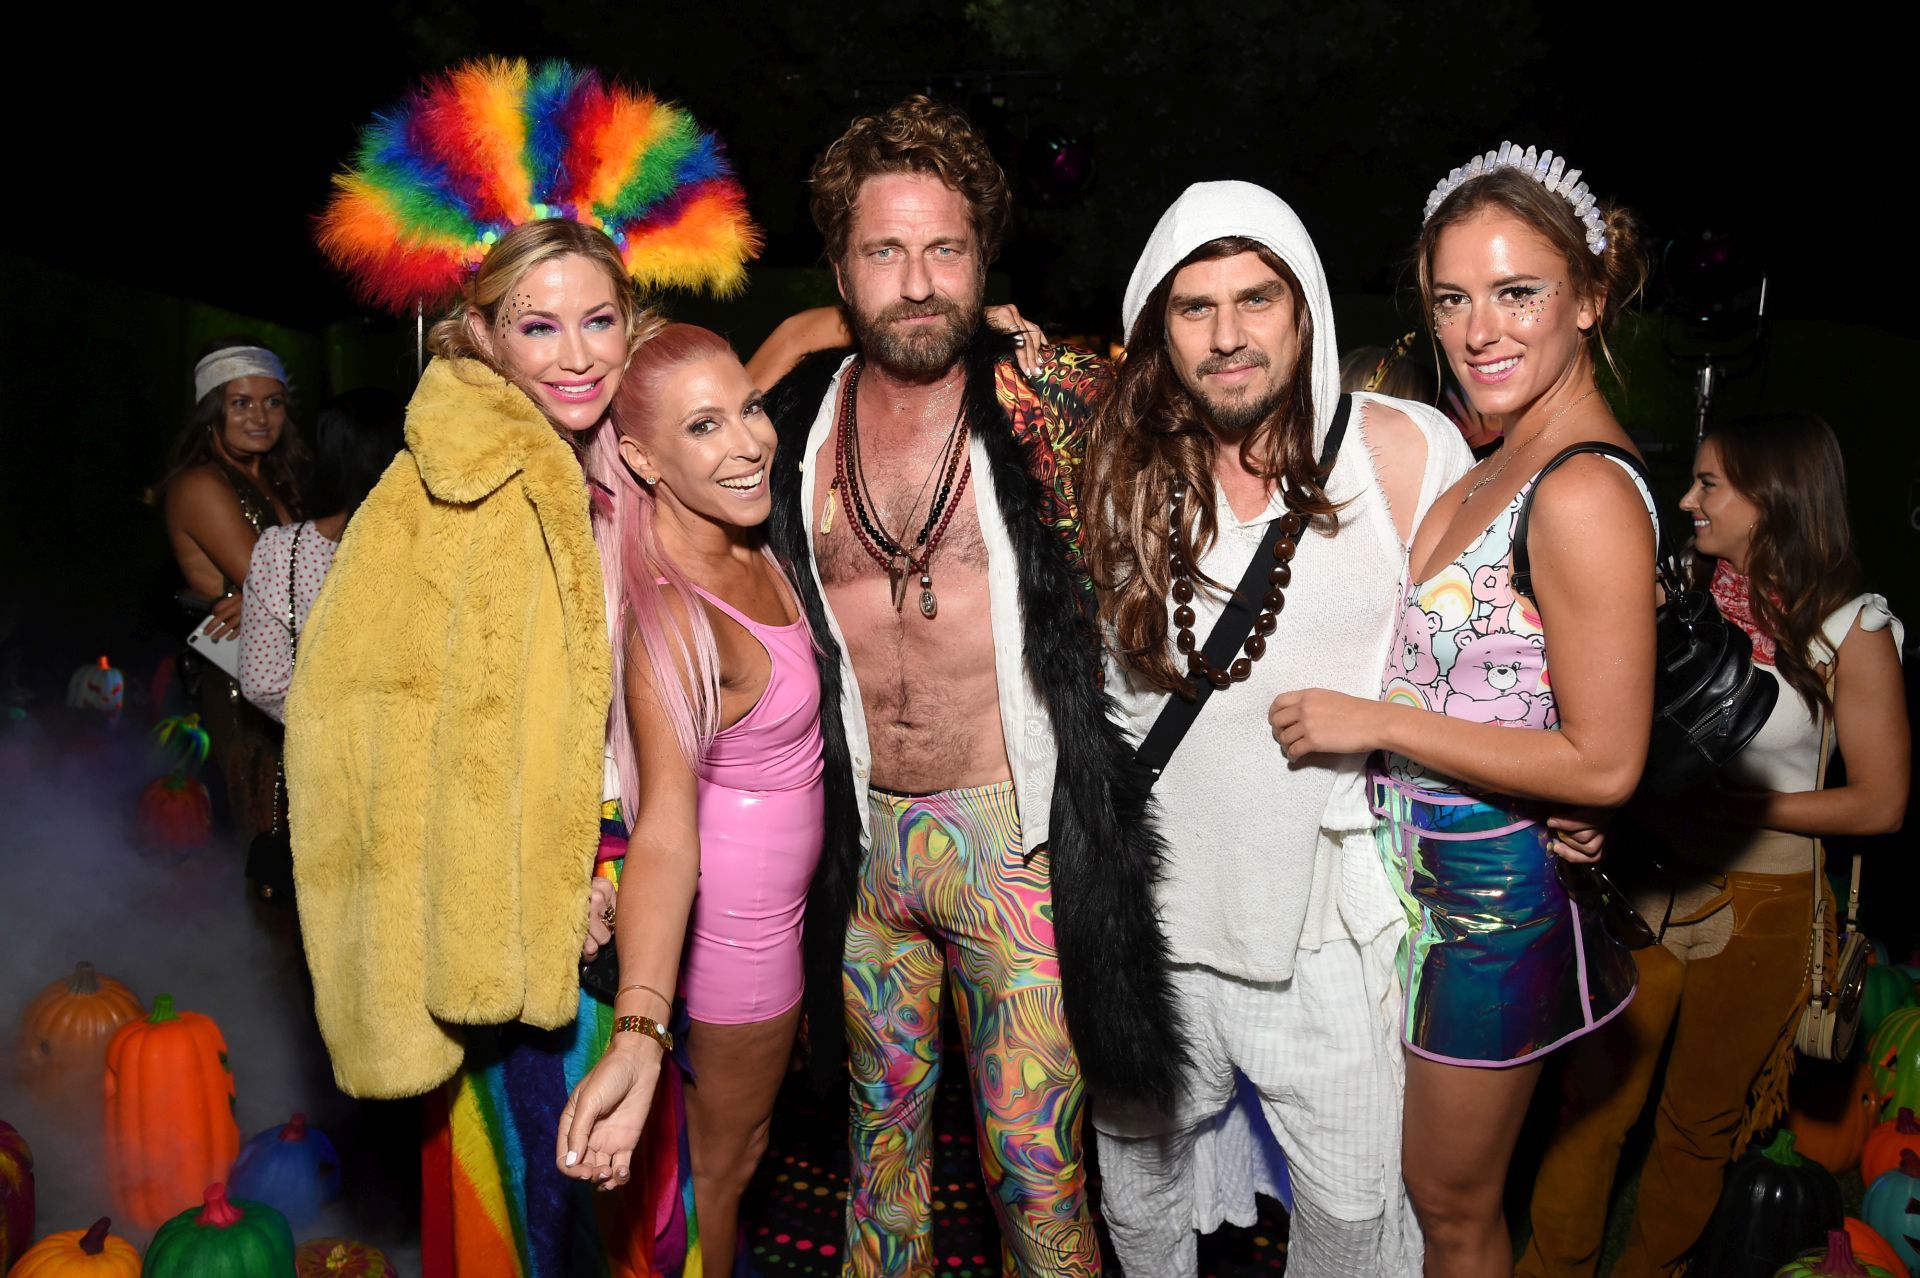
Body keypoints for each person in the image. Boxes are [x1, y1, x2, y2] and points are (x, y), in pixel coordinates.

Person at [288, 58, 758, 1277]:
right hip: (520, 927)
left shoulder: (638, 464)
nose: (575, 355)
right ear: (483, 335)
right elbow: (380, 741)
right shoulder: (447, 495)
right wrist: (561, 884)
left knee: (646, 1199)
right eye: (537, 325)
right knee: (549, 1210)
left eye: (598, 319)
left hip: (657, 893)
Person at [762, 95, 1179, 1275]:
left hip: (1013, 849)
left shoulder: (1054, 405)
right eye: (884, 251)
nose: (917, 282)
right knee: (877, 1162)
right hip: (860, 849)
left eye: (944, 249)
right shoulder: (789, 426)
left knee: (1036, 1171)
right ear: (840, 270)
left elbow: (1206, 455)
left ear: (984, 259)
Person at [1269, 141, 1659, 1278]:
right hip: (1414, 878)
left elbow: (1605, 762)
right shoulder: (1497, 457)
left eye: (1517, 292)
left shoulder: (1581, 487)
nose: (1480, 330)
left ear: (1588, 298)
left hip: (1490, 908)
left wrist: (1377, 723)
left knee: (1450, 1207)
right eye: (1452, 299)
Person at [1082, 181, 1473, 1276]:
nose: (1227, 335)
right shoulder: (1121, 471)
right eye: (1194, 307)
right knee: (1138, 1197)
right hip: (1152, 919)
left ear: (1306, 312)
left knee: (1352, 1207)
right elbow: (1099, 692)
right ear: (1158, 328)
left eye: (1256, 298)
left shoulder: (1403, 452)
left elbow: (1482, 668)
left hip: (1324, 923)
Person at [1517, 411, 1910, 1278]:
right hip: (1647, 882)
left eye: (1710, 485)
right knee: (1592, 1107)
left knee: (1701, 1126)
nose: (1688, 500)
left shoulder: (1852, 628)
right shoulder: (1671, 594)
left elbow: (1882, 803)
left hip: (1768, 903)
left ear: (1773, 498)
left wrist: (1741, 811)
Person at [552, 325, 823, 1277]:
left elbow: (790, 343)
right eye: (704, 427)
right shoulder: (677, 617)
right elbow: (667, 831)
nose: (748, 443)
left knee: (725, 1155)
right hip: (740, 941)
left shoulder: (734, 531)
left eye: (749, 410)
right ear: (640, 459)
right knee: (724, 1166)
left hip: (774, 915)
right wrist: (640, 1028)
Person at [160, 338, 308, 837]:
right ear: (212, 412)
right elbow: (280, 584)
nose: (260, 417)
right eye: (241, 403)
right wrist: (271, 593)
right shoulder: (200, 485)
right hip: (242, 687)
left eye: (273, 402)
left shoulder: (280, 479)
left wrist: (267, 597)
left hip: (295, 676)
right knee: (271, 835)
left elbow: (286, 588)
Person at [238, 388, 404, 722]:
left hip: (327, 743)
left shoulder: (284, 551)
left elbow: (262, 684)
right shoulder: (445, 540)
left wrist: (328, 726)